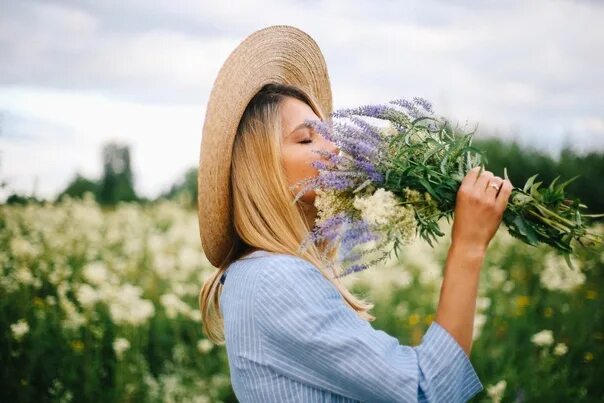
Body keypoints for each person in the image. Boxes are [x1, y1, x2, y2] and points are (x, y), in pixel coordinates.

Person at [198, 25, 512, 402]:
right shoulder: (275, 278)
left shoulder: (258, 273)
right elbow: (425, 391)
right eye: (306, 138)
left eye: (327, 132)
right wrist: (469, 246)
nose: (334, 147)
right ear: (261, 169)